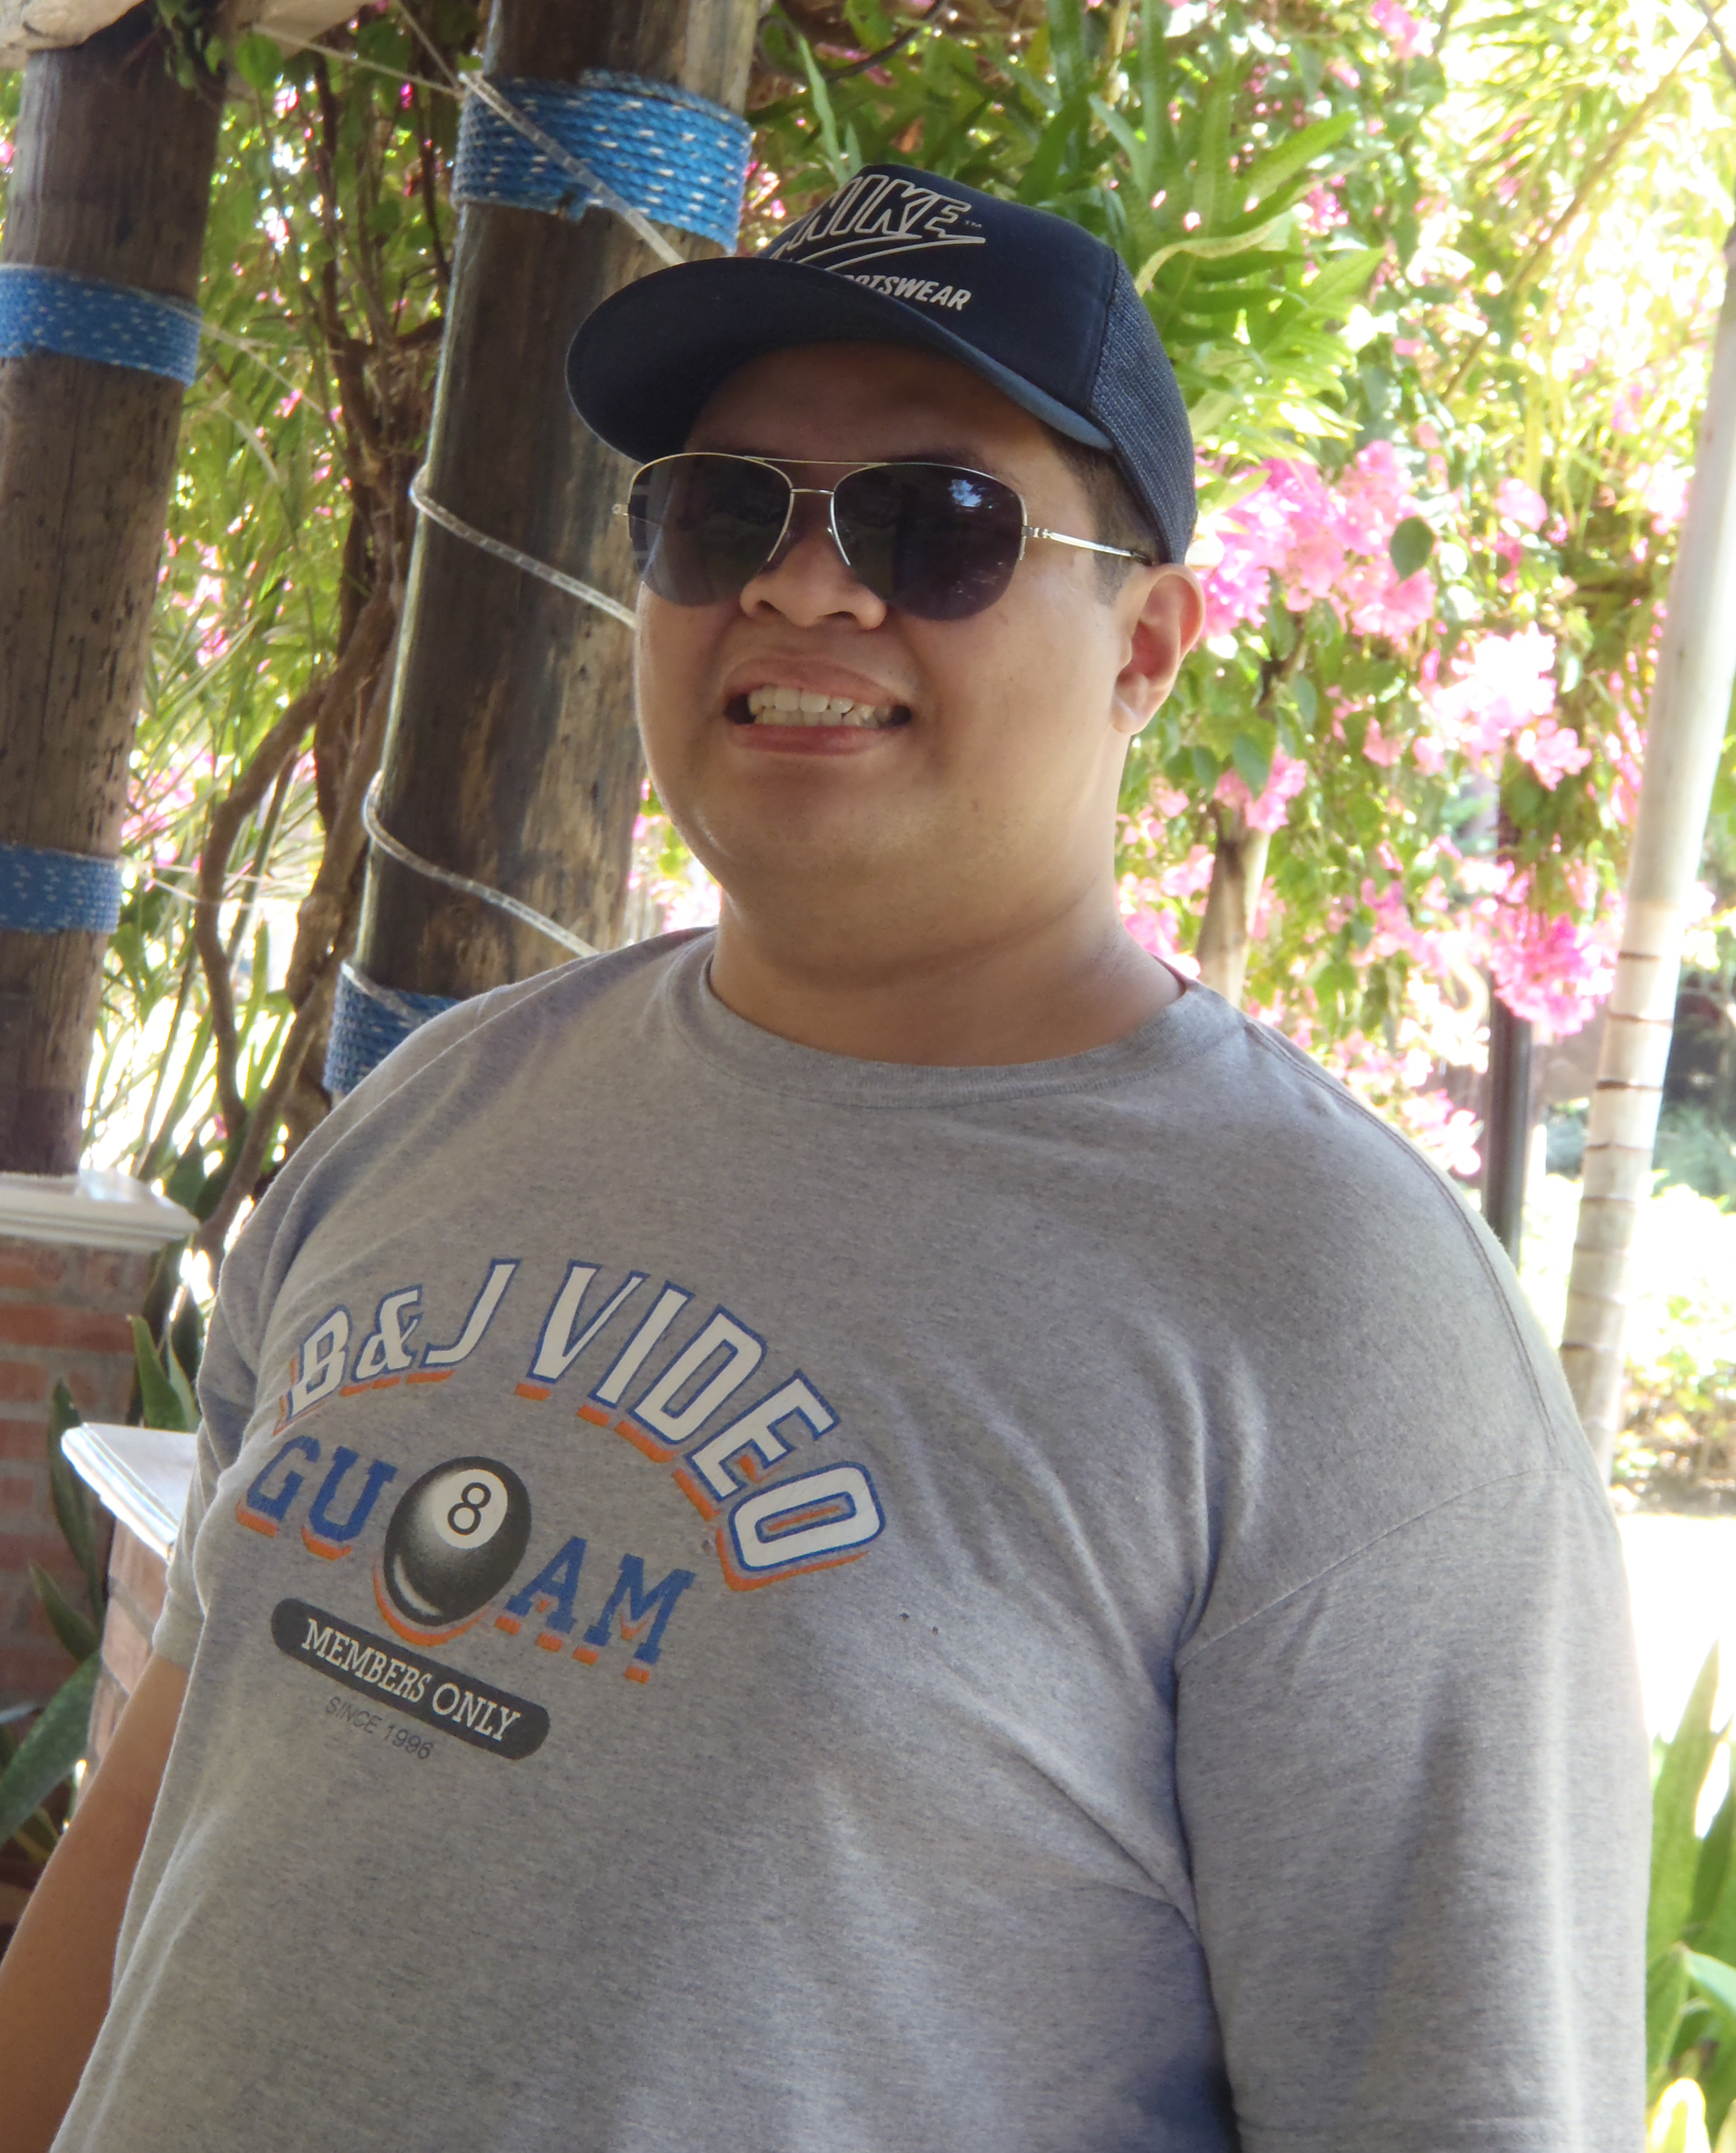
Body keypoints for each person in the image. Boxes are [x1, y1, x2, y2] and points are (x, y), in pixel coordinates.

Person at [0, 163, 1647, 2152]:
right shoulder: (436, 1116)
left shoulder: (1338, 1318)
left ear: (1147, 650)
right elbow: (177, 1789)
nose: (802, 589)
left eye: (936, 524)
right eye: (724, 511)